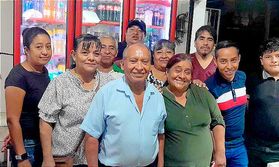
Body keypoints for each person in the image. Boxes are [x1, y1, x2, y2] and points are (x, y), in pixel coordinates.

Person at [80, 43, 167, 167]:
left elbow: (160, 135)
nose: (139, 67)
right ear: (122, 64)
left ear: (150, 66)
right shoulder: (107, 93)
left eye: (145, 61)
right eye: (133, 61)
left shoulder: (157, 96)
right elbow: (91, 137)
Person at [39, 34, 102, 166]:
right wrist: (47, 157)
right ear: (74, 55)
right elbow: (45, 122)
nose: (91, 58)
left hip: (95, 160)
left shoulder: (107, 82)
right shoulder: (60, 83)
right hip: (65, 159)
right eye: (85, 53)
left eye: (96, 54)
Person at [162, 53, 226, 167]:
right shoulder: (160, 98)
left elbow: (218, 121)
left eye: (187, 72)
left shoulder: (202, 92)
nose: (182, 76)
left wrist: (220, 153)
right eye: (177, 70)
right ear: (167, 72)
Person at [246, 37, 279, 167]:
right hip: (254, 149)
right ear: (261, 60)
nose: (274, 60)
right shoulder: (251, 81)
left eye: (278, 55)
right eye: (268, 56)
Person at [5, 27, 52, 166]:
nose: (45, 51)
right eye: (39, 47)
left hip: (41, 140)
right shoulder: (18, 76)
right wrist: (21, 157)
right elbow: (12, 119)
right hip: (27, 145)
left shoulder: (42, 70)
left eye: (48, 47)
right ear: (26, 50)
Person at [205, 41, 248, 167]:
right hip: (218, 148)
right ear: (215, 61)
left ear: (239, 59)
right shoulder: (209, 86)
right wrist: (217, 151)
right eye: (223, 61)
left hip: (240, 146)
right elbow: (208, 123)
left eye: (233, 60)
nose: (229, 66)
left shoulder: (242, 77)